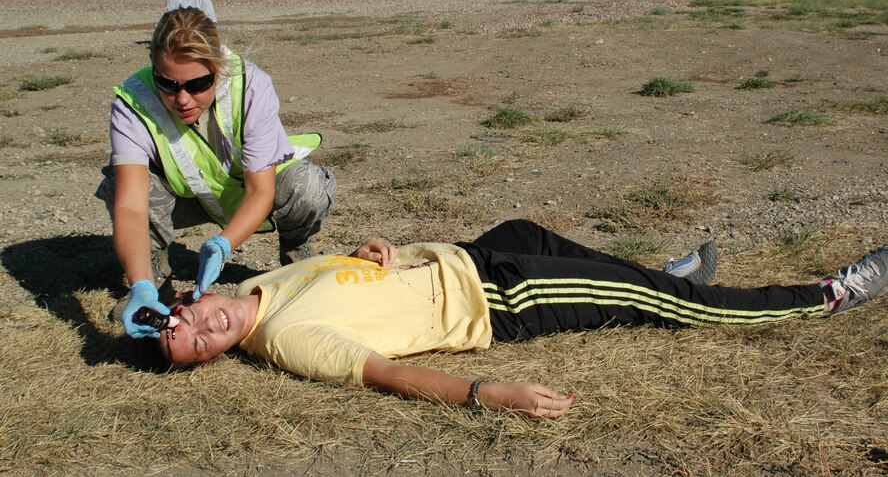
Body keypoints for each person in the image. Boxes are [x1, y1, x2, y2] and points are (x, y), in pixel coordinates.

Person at [156, 219, 887, 419]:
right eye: (197, 353)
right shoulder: (284, 338)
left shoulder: (270, 289)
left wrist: (370, 250)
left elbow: (344, 277)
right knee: (663, 306)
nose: (203, 336)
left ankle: (650, 279)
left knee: (528, 227)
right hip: (498, 300)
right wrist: (487, 393)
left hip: (470, 254)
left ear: (194, 300)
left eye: (187, 327)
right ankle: (828, 294)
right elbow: (384, 372)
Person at [96, 7, 337, 339]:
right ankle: (155, 285)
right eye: (167, 84)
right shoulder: (133, 101)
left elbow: (259, 192)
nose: (182, 99)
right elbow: (131, 207)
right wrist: (139, 284)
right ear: (153, 69)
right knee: (119, 186)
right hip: (189, 198)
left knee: (307, 187)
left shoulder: (250, 86)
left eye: (198, 84)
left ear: (217, 69)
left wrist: (224, 244)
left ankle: (296, 249)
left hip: (250, 192)